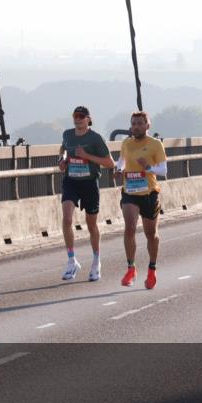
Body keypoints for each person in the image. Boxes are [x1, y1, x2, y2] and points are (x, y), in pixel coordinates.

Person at [57, 106, 116, 281]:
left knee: (91, 225)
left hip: (89, 183)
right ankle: (71, 260)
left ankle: (96, 261)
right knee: (67, 218)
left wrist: (87, 156)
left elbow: (110, 163)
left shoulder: (95, 138)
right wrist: (61, 161)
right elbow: (63, 149)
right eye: (75, 116)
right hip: (71, 181)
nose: (78, 119)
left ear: (88, 119)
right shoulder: (67, 134)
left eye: (81, 116)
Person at [114, 111, 167, 289]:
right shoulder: (126, 143)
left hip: (150, 193)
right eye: (133, 123)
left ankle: (152, 269)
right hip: (130, 191)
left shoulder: (155, 144)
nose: (135, 126)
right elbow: (121, 161)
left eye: (139, 123)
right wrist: (118, 169)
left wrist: (148, 167)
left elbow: (163, 170)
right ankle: (131, 268)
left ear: (147, 126)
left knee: (150, 233)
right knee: (129, 227)